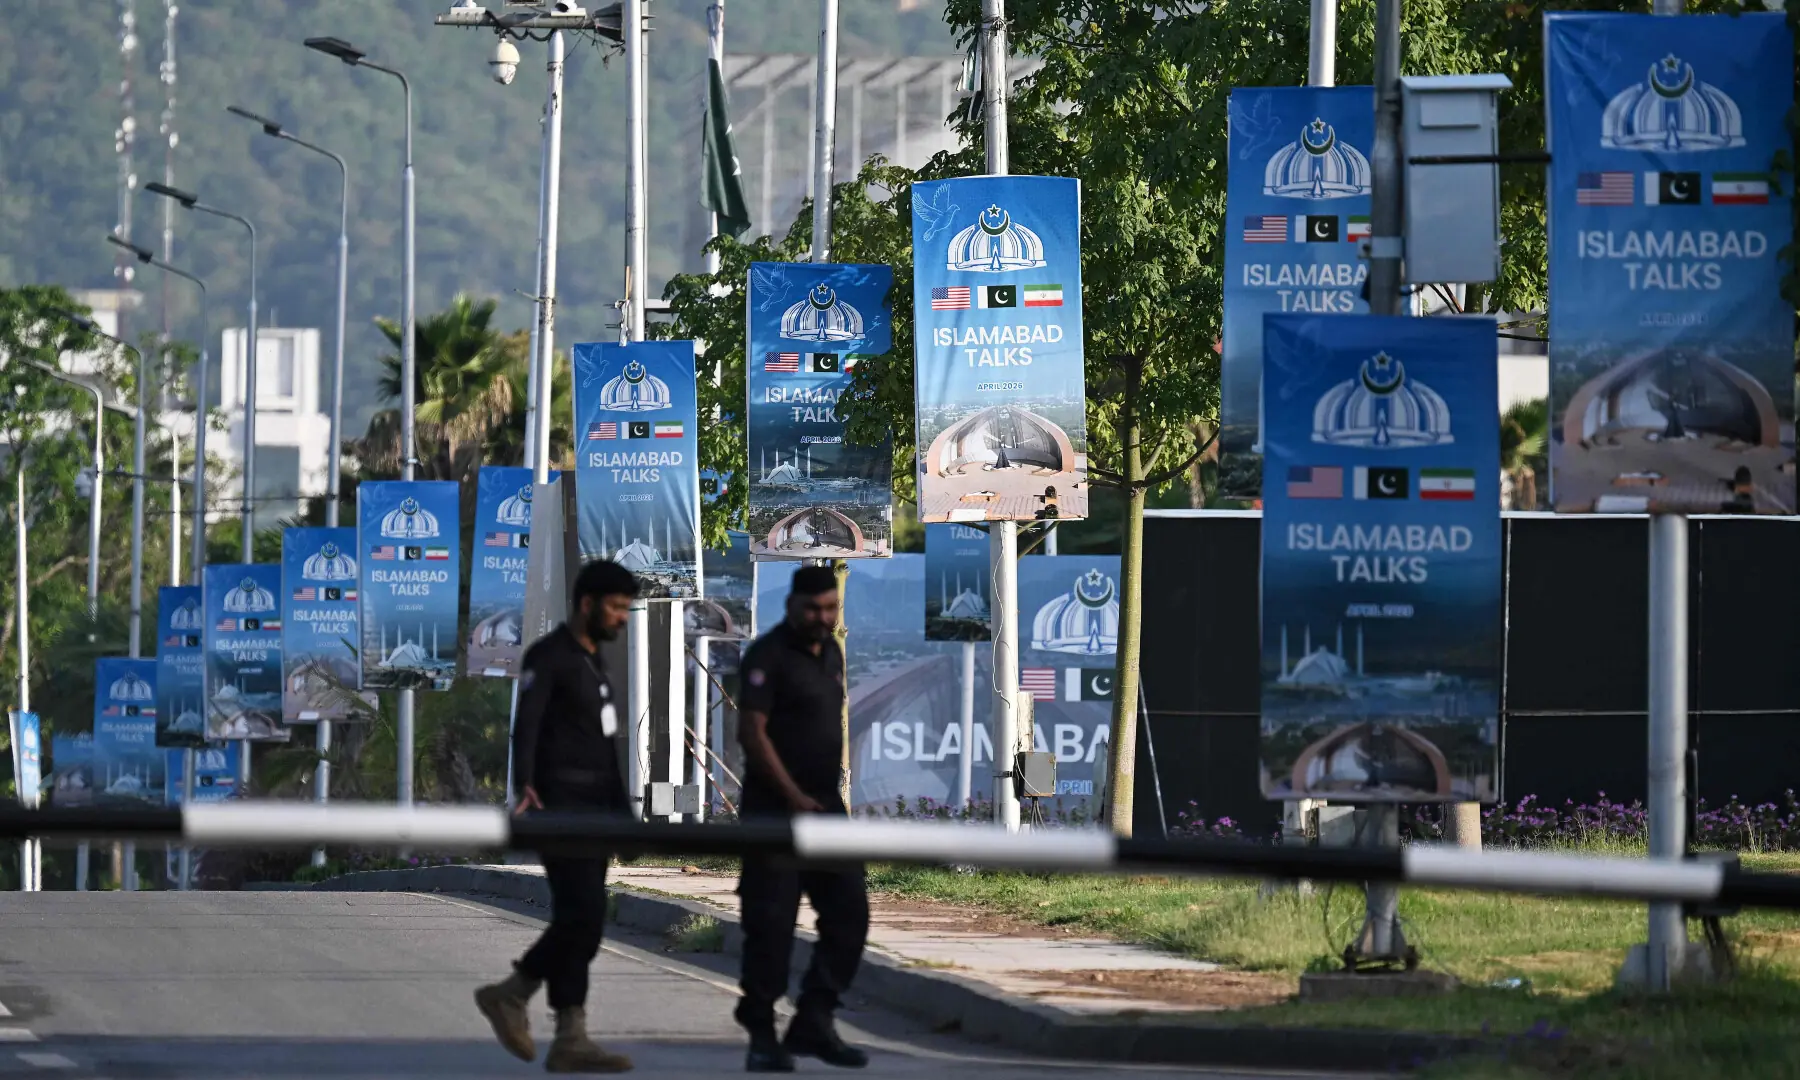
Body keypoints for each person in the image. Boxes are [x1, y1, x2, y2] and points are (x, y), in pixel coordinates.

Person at [475, 559, 638, 1074]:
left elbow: (607, 748)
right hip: (559, 808)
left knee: (584, 922)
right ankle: (513, 993)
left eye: (626, 609)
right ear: (587, 604)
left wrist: (624, 815)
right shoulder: (550, 657)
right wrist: (526, 785)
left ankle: (571, 1034)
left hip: (596, 814)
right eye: (615, 608)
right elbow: (527, 724)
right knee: (581, 916)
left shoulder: (595, 665)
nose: (623, 618)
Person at [734, 565, 871, 1073]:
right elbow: (752, 732)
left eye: (830, 608)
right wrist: (791, 794)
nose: (823, 617)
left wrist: (821, 794)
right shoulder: (767, 656)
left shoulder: (831, 652)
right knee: (769, 926)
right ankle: (762, 1034)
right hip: (774, 812)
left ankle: (814, 1019)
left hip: (825, 808)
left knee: (850, 914)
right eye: (813, 609)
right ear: (792, 605)